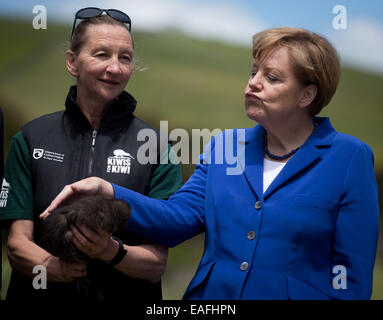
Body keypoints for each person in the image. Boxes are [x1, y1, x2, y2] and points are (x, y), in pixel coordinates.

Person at [42, 27, 380, 300]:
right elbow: (176, 219)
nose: (254, 82)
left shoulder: (350, 158)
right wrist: (109, 191)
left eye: (272, 77)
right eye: (253, 71)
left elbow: (351, 275)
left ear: (307, 95)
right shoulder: (224, 146)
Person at [0, 8, 182, 300]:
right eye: (101, 54)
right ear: (72, 62)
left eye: (125, 57)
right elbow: (17, 244)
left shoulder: (157, 148)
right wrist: (54, 269)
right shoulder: (31, 138)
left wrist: (108, 250)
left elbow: (155, 264)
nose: (115, 68)